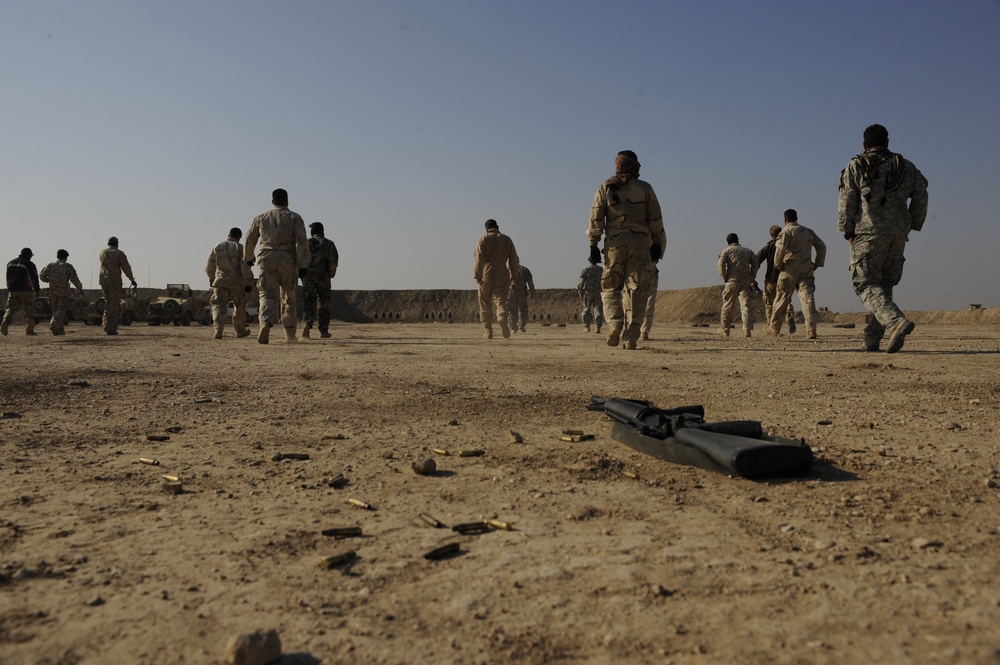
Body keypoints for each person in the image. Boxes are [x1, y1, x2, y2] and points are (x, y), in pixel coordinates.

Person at [838, 123, 928, 353]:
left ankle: (895, 321)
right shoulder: (906, 167)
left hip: (868, 233)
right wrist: (912, 223)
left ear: (865, 145)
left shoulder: (856, 165)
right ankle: (873, 339)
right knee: (883, 285)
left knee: (864, 283)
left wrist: (847, 230)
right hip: (897, 233)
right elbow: (921, 192)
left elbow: (847, 199)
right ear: (887, 142)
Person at [588, 150, 666, 350]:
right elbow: (656, 220)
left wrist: (593, 245)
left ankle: (614, 324)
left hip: (614, 248)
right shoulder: (645, 189)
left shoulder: (605, 188)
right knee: (637, 290)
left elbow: (596, 218)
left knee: (610, 288)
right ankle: (630, 336)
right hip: (640, 247)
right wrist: (659, 245)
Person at [244, 188, 309, 345]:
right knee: (289, 297)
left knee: (266, 295)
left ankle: (265, 323)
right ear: (287, 200)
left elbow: (249, 238)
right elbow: (302, 242)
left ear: (272, 201)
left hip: (267, 259)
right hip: (288, 260)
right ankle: (290, 333)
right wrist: (303, 264)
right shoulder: (295, 217)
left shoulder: (261, 217)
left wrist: (248, 257)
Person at [770, 209, 826, 339]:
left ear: (785, 220)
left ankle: (774, 328)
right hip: (806, 269)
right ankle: (811, 330)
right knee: (808, 300)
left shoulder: (785, 232)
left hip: (789, 270)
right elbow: (822, 246)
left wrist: (778, 265)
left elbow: (780, 249)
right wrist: (817, 263)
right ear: (797, 218)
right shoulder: (809, 231)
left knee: (781, 299)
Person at [473, 219, 519, 339]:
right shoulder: (507, 239)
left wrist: (478, 275)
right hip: (502, 272)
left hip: (486, 273)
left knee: (485, 302)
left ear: (486, 229)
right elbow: (514, 259)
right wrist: (514, 276)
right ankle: (502, 316)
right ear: (497, 227)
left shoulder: (483, 239)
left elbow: (479, 258)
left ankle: (488, 331)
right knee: (501, 300)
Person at [206, 227, 254, 339]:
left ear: (229, 235)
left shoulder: (217, 247)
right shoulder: (240, 248)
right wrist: (248, 282)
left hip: (221, 280)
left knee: (218, 305)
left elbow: (209, 266)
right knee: (239, 306)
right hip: (236, 281)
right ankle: (240, 330)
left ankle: (218, 330)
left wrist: (212, 278)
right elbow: (245, 267)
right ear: (239, 237)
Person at [755, 225, 796, 335]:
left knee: (769, 303)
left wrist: (752, 276)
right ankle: (789, 315)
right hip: (786, 277)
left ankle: (770, 325)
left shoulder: (768, 247)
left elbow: (756, 260)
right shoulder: (787, 246)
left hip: (771, 279)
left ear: (770, 235)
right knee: (785, 300)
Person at [301, 222, 339, 339]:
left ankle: (307, 325)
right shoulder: (329, 244)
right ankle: (323, 331)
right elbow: (333, 262)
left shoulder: (305, 243)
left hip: (308, 276)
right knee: (323, 303)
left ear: (313, 232)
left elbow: (299, 259)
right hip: (323, 276)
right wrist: (331, 275)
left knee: (309, 301)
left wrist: (301, 274)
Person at [717, 233, 759, 338]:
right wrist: (752, 276)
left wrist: (724, 277)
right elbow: (755, 263)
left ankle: (725, 330)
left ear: (728, 242)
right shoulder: (747, 251)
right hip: (745, 282)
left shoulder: (726, 251)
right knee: (746, 306)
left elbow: (721, 264)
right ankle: (747, 330)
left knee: (728, 305)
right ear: (737, 240)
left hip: (732, 281)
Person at [39, 249, 84, 336]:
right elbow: (75, 279)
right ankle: (54, 322)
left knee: (55, 310)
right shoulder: (68, 266)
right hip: (63, 292)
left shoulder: (50, 265)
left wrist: (49, 280)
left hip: (52, 292)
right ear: (66, 257)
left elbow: (42, 276)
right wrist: (80, 289)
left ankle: (59, 331)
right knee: (62, 310)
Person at [98, 236, 137, 336]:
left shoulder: (102, 252)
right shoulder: (119, 253)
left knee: (108, 303)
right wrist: (132, 279)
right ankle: (110, 329)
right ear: (117, 243)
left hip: (103, 281)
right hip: (114, 281)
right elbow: (126, 267)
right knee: (114, 304)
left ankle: (106, 325)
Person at [1, 248, 41, 337]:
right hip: (25, 290)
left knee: (11, 309)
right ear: (29, 255)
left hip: (12, 289)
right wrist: (37, 290)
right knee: (29, 311)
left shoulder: (10, 263)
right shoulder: (29, 264)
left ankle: (5, 322)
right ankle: (29, 330)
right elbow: (34, 277)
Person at [577, 255, 603, 334]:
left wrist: (580, 291)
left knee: (586, 309)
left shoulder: (586, 270)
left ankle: (586, 326)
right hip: (599, 292)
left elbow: (582, 282)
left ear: (589, 261)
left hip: (588, 292)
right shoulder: (602, 270)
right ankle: (597, 326)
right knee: (598, 309)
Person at [506, 264, 535, 333]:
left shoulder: (508, 270)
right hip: (522, 293)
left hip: (511, 293)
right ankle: (522, 325)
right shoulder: (524, 270)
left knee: (512, 310)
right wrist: (532, 291)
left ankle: (513, 327)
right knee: (523, 309)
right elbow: (530, 282)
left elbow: (503, 282)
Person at [639, 258, 660, 341]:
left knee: (631, 300)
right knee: (649, 302)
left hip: (634, 267)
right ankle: (644, 331)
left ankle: (630, 330)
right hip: (650, 265)